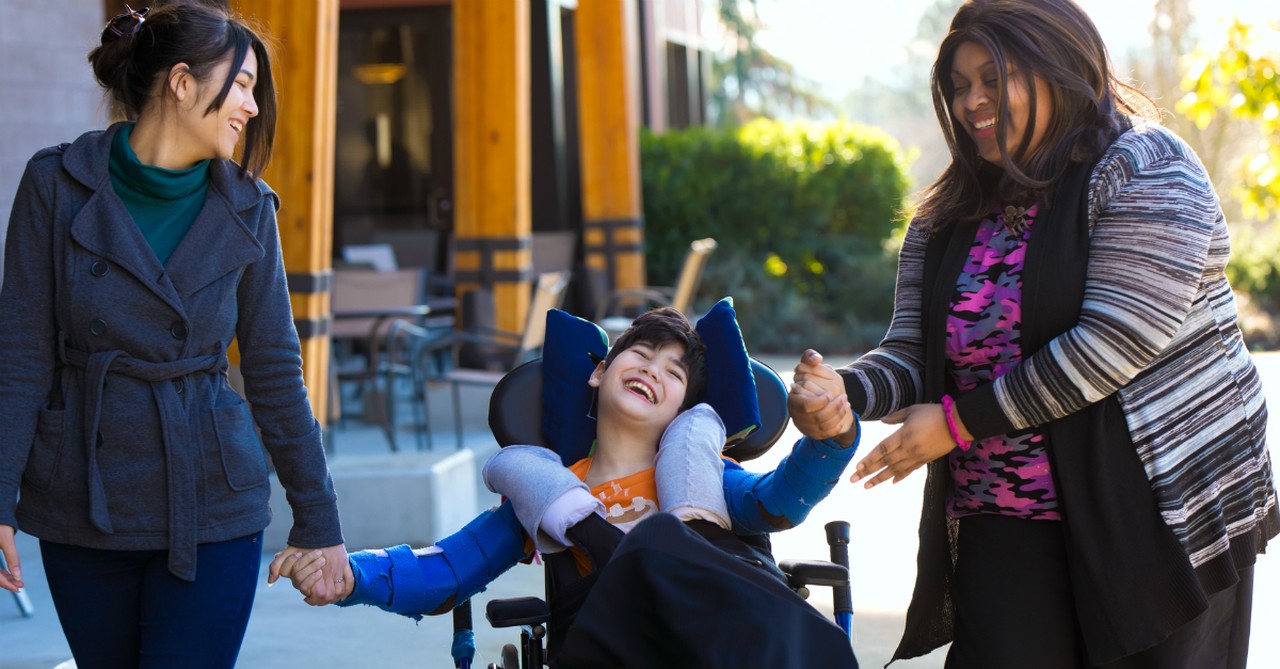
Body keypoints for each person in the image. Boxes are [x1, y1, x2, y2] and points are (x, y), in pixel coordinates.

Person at [791, 1, 1278, 667]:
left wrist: (958, 424)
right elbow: (912, 353)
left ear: (1059, 65)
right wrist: (843, 392)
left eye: (992, 77)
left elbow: (1115, 344)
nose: (971, 101)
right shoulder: (948, 214)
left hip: (1154, 517)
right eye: (959, 85)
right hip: (1005, 515)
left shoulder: (1145, 166)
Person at [0, 4, 348, 667]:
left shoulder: (249, 207)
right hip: (84, 496)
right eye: (241, 83)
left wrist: (319, 518)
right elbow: (20, 355)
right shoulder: (57, 183)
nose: (251, 105)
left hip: (212, 499)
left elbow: (274, 370)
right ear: (182, 82)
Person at [271, 307, 862, 668]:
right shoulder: (543, 492)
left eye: (674, 372)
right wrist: (350, 576)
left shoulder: (705, 480)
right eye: (643, 354)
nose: (654, 369)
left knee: (673, 539)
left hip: (718, 639)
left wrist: (831, 437)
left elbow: (781, 500)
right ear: (600, 370)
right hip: (616, 647)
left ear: (685, 404)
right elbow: (446, 568)